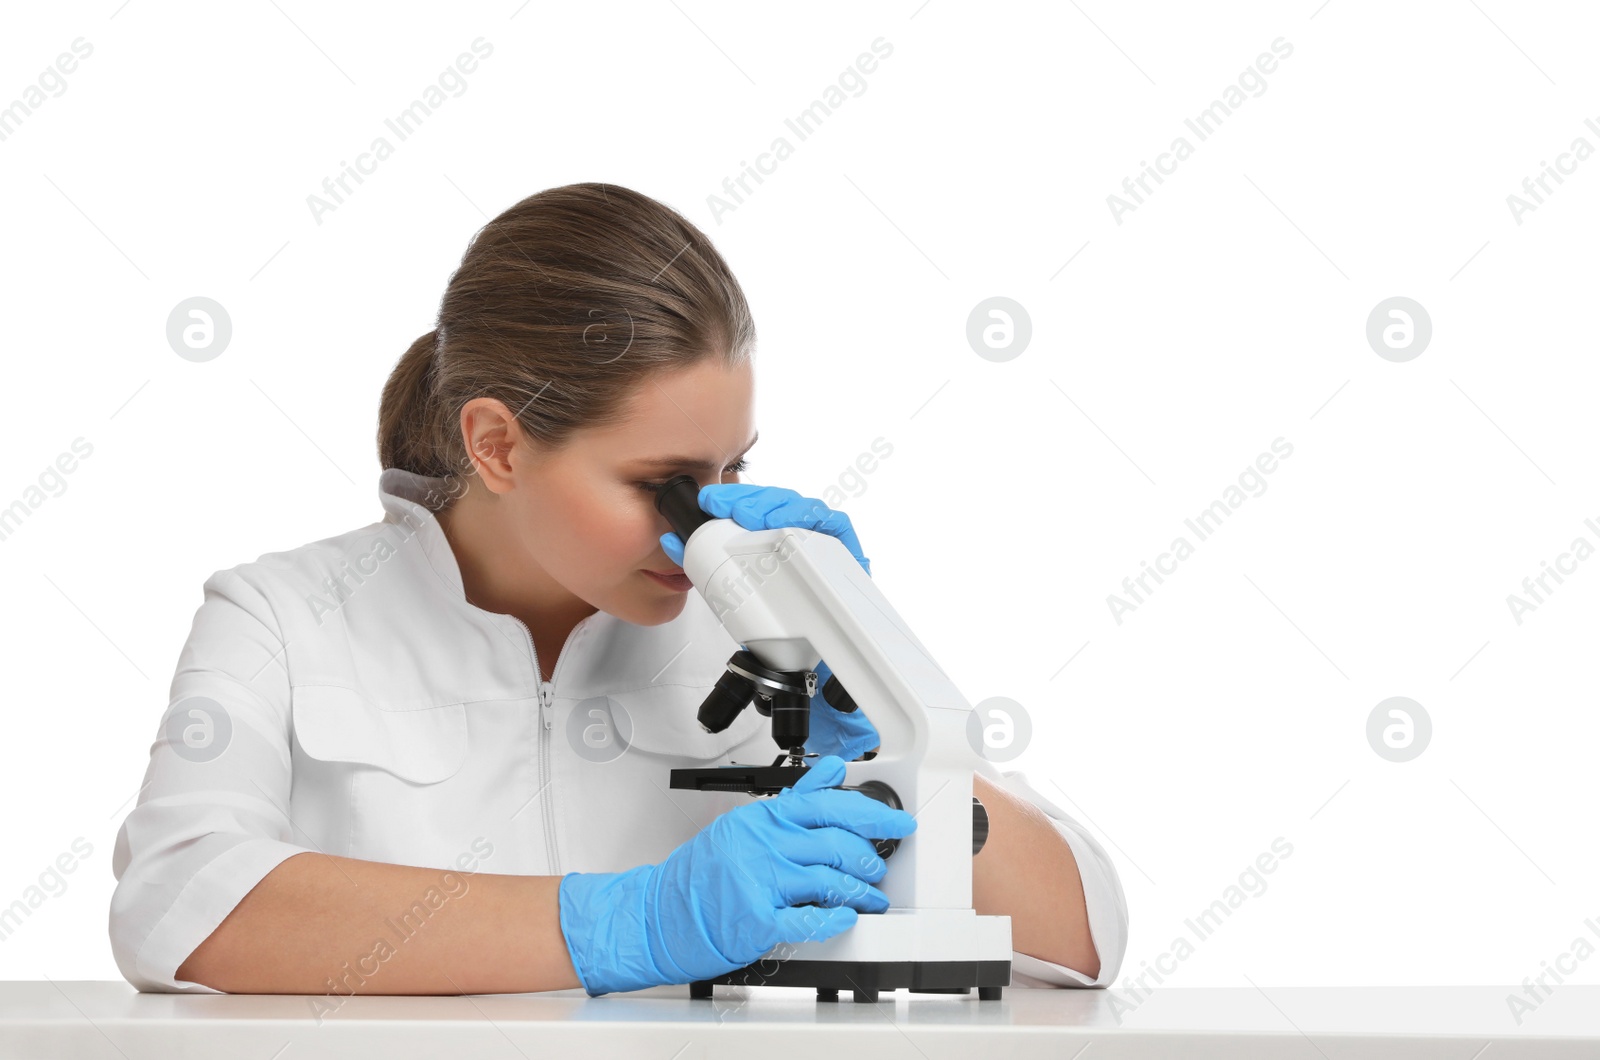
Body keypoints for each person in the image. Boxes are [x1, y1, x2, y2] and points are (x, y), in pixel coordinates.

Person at [107, 182, 1127, 998]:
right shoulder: (282, 617)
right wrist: (628, 922)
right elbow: (177, 903)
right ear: (497, 445)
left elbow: (1085, 938)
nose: (706, 528)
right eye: (664, 485)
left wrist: (877, 694)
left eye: (733, 471)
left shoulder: (756, 641)